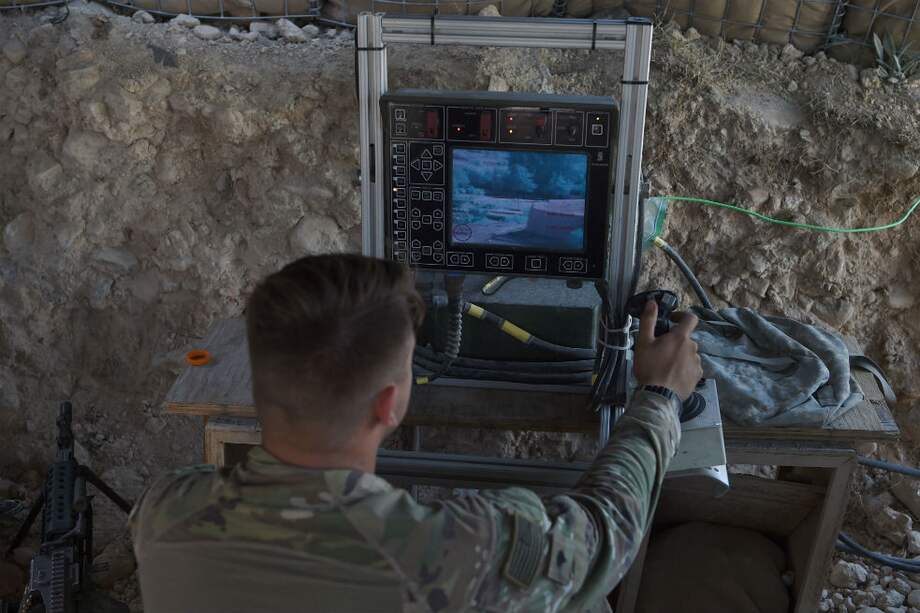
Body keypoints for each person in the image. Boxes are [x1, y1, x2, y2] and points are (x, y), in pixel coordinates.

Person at [130, 254, 702, 613]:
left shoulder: (163, 510)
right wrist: (659, 397)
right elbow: (607, 534)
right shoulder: (462, 551)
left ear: (257, 385)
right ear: (390, 402)